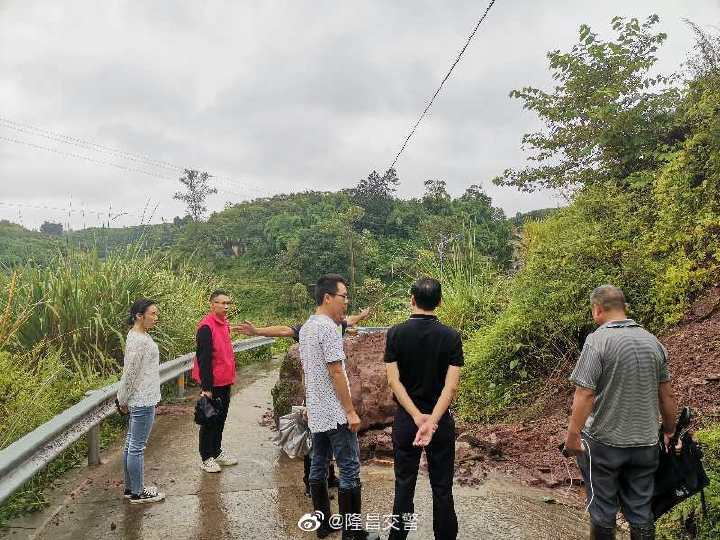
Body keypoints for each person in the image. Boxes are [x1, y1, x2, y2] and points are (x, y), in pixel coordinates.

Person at [563, 285, 678, 540]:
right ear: (625, 308)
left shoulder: (597, 341)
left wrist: (573, 435)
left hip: (604, 445)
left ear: (597, 310)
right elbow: (667, 396)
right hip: (646, 445)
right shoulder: (653, 342)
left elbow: (585, 394)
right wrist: (670, 431)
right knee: (641, 511)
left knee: (603, 510)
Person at [236, 308, 371, 498]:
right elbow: (285, 330)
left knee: (326, 441)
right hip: (315, 396)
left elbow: (350, 320)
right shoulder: (311, 328)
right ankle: (311, 484)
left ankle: (329, 477)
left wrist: (362, 316)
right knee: (314, 444)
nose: (343, 311)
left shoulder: (337, 325)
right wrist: (257, 331)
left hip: (331, 397)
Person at [299, 274, 378, 540]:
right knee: (350, 469)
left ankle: (323, 524)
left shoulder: (307, 327)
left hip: (317, 412)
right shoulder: (328, 328)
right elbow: (336, 372)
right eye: (343, 296)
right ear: (327, 297)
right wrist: (350, 411)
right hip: (334, 413)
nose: (346, 302)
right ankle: (352, 533)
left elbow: (307, 371)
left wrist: (310, 403)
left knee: (318, 466)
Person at [384, 278, 462, 540]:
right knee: (442, 488)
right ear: (440, 302)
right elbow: (450, 388)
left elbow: (393, 381)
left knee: (404, 486)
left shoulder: (395, 334)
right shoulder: (451, 337)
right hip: (439, 424)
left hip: (408, 422)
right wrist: (432, 421)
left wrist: (417, 417)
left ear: (412, 300)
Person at [117, 298, 165, 504]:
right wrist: (122, 399)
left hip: (140, 397)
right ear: (139, 316)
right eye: (152, 314)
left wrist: (124, 398)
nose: (156, 317)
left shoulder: (137, 335)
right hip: (143, 400)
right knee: (136, 447)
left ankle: (131, 489)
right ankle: (138, 492)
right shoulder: (140, 341)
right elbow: (130, 373)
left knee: (131, 444)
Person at [192, 290, 241, 473]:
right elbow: (203, 359)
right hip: (212, 383)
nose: (225, 306)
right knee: (209, 420)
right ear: (212, 304)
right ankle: (206, 458)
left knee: (220, 419)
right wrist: (206, 388)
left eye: (228, 303)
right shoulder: (206, 327)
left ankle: (217, 451)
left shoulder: (225, 323)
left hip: (225, 381)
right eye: (221, 303)